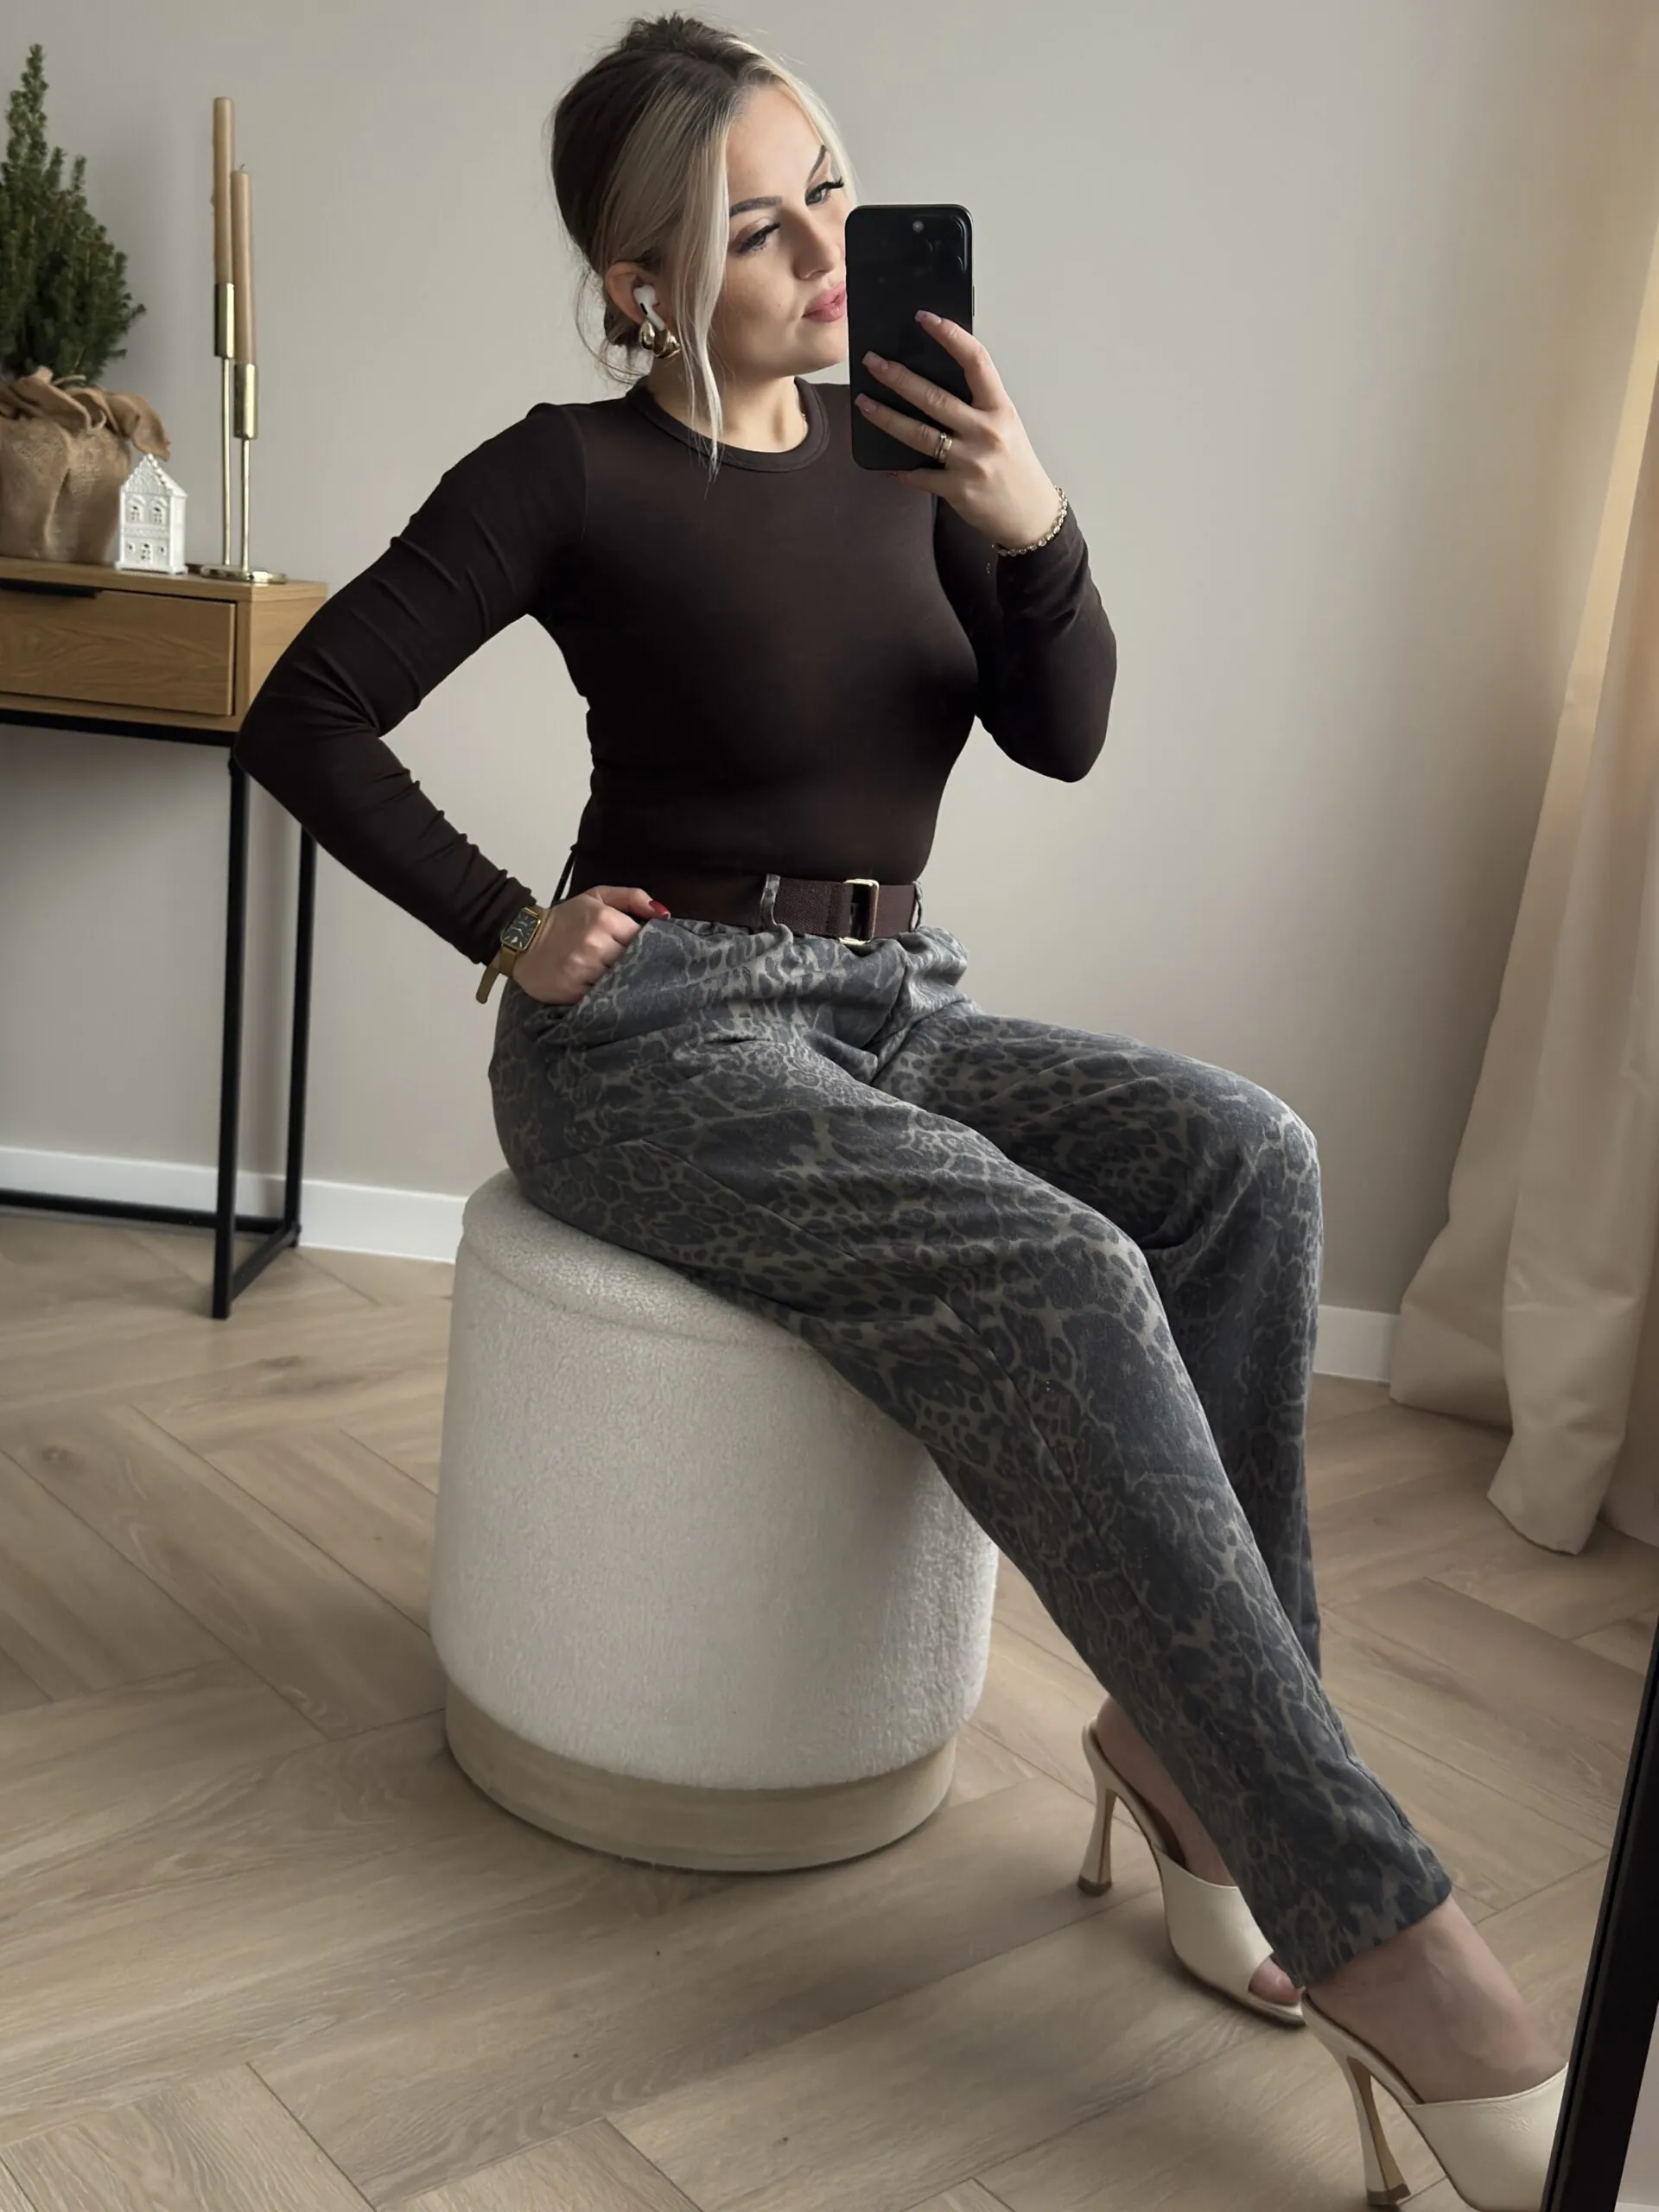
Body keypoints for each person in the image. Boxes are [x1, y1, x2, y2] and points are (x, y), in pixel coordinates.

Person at [230, 14, 1567, 2205]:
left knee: (1247, 1155)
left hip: (897, 1000)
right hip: (658, 1037)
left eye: (832, 192)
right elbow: (307, 710)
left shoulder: (910, 441)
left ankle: (1203, 1762)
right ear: (640, 279)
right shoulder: (568, 474)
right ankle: (1383, 1922)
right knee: (1063, 1266)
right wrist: (507, 925)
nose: (824, 252)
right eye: (757, 228)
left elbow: (1065, 730)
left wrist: (1032, 525)